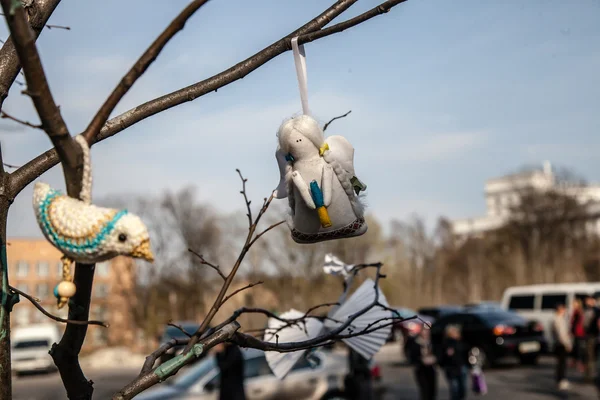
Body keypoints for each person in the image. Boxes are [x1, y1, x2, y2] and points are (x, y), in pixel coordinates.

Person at [439, 324, 469, 400]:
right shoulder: (446, 343)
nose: (455, 333)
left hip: (461, 367)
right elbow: (442, 357)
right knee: (454, 389)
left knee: (462, 389)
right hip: (451, 369)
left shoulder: (461, 342)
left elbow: (465, 354)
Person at [407, 327, 437, 400]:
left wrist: (434, 358)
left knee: (432, 390)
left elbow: (438, 353)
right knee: (424, 389)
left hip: (431, 369)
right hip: (421, 369)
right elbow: (412, 357)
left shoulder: (432, 342)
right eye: (424, 333)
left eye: (427, 333)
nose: (425, 334)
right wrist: (421, 360)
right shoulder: (416, 343)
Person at [553, 303, 572, 391]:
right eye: (563, 309)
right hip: (561, 344)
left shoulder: (558, 319)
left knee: (561, 363)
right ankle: (561, 380)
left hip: (559, 343)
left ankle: (560, 379)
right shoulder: (558, 319)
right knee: (562, 363)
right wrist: (567, 344)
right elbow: (562, 334)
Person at [583, 296, 600, 381]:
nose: (587, 302)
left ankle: (591, 376)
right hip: (589, 335)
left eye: (588, 300)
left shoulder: (596, 311)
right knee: (589, 356)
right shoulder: (587, 309)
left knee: (592, 356)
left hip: (593, 335)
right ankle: (589, 375)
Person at [570, 298, 586, 372]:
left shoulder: (580, 312)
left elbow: (580, 322)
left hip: (580, 332)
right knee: (575, 348)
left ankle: (580, 364)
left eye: (575, 304)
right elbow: (572, 322)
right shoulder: (575, 312)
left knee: (579, 349)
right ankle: (575, 362)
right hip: (576, 332)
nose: (574, 305)